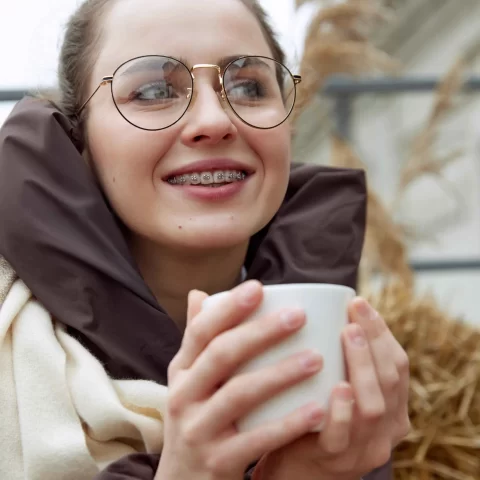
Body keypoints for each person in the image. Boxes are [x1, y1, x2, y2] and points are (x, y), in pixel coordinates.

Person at [0, 0, 410, 479]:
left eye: (248, 87)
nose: (216, 122)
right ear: (80, 142)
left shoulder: (337, 359)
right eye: (154, 90)